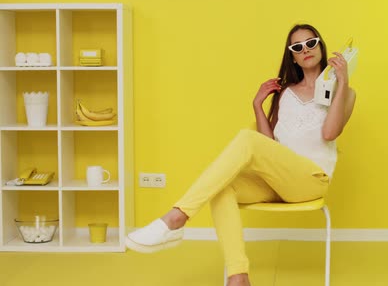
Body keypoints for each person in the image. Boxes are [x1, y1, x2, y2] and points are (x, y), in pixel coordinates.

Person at [126, 24, 356, 286]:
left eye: (311, 43)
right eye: (297, 47)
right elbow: (269, 146)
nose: (305, 50)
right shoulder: (286, 93)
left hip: (311, 180)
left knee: (248, 139)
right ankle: (239, 277)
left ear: (321, 45)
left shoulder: (346, 93)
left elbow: (330, 133)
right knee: (223, 187)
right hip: (278, 182)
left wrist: (343, 80)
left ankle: (177, 216)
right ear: (292, 56)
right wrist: (257, 105)